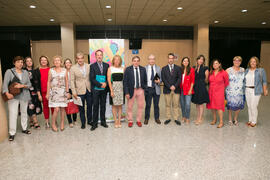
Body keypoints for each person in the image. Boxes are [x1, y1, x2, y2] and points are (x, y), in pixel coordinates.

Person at [2, 56, 32, 141]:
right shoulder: (9, 71)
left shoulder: (25, 72)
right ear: (14, 63)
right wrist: (7, 93)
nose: (20, 64)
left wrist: (22, 85)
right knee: (13, 114)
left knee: (24, 112)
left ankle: (24, 128)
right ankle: (12, 133)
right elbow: (5, 84)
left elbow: (29, 85)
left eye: (22, 62)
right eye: (18, 62)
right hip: (13, 96)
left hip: (24, 95)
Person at [46, 55, 69, 132]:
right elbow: (48, 81)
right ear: (53, 62)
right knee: (56, 109)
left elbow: (66, 81)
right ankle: (53, 124)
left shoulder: (64, 70)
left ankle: (62, 122)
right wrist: (47, 93)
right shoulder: (51, 70)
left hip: (62, 92)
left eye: (58, 60)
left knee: (62, 109)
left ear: (61, 62)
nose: (57, 62)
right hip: (54, 92)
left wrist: (67, 91)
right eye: (55, 60)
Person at [123, 56, 147, 127]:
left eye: (137, 61)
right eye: (134, 61)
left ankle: (138, 120)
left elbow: (145, 80)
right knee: (130, 106)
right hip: (131, 90)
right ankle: (130, 120)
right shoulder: (128, 69)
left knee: (140, 106)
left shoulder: (143, 69)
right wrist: (126, 92)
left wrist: (144, 88)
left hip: (140, 90)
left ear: (139, 62)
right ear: (132, 61)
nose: (136, 62)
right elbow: (125, 82)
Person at [70, 52, 92, 129]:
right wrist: (74, 92)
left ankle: (89, 121)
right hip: (79, 91)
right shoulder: (73, 68)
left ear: (83, 58)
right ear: (76, 59)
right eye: (78, 58)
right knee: (81, 108)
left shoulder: (89, 66)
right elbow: (72, 81)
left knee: (89, 106)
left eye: (81, 58)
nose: (80, 60)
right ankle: (83, 122)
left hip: (89, 89)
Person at [244, 56, 268, 127]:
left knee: (253, 106)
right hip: (247, 89)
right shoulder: (247, 70)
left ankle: (254, 121)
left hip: (256, 90)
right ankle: (250, 120)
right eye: (251, 61)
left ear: (257, 62)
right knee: (249, 106)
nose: (252, 63)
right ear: (249, 63)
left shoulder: (261, 70)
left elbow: (264, 81)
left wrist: (265, 90)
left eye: (254, 61)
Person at [90, 50, 109, 131]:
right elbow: (92, 78)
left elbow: (109, 77)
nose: (99, 56)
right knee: (95, 106)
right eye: (97, 55)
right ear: (95, 56)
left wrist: (106, 83)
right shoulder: (92, 66)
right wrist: (100, 84)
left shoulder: (107, 65)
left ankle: (103, 121)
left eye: (100, 55)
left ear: (102, 56)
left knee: (103, 106)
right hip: (96, 90)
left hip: (104, 90)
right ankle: (94, 123)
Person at [207, 59, 229, 128]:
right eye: (213, 64)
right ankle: (214, 119)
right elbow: (209, 81)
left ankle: (221, 122)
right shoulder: (211, 72)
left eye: (216, 63)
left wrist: (221, 88)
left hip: (219, 92)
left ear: (219, 64)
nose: (215, 65)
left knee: (219, 107)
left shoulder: (223, 72)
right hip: (211, 92)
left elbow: (226, 82)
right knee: (212, 106)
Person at [161, 53, 182, 126]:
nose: (170, 60)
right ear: (168, 59)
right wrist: (170, 86)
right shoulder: (163, 68)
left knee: (176, 105)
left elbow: (180, 78)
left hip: (176, 90)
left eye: (172, 58)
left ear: (174, 59)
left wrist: (174, 86)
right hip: (167, 89)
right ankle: (168, 118)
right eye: (169, 58)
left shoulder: (178, 68)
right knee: (167, 105)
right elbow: (163, 79)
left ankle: (176, 118)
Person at [225, 56, 245, 125]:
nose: (237, 62)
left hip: (240, 91)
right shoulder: (228, 70)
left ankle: (235, 118)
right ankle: (230, 119)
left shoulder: (243, 70)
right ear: (233, 61)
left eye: (239, 61)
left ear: (240, 62)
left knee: (238, 105)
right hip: (230, 91)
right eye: (235, 60)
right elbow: (223, 79)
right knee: (230, 106)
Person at [34, 55, 53, 128]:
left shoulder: (51, 70)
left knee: (53, 107)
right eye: (42, 60)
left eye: (45, 60)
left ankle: (54, 121)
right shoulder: (37, 71)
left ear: (47, 61)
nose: (43, 61)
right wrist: (39, 94)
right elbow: (36, 84)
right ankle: (47, 122)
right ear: (40, 61)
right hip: (43, 92)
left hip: (52, 92)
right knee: (45, 107)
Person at [191, 55, 210, 125]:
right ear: (197, 60)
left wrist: (201, 83)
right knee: (197, 103)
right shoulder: (194, 68)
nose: (201, 60)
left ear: (203, 61)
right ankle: (198, 116)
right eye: (199, 59)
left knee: (201, 103)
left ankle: (200, 118)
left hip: (201, 87)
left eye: (202, 59)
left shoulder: (205, 68)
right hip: (195, 87)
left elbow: (206, 79)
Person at [107, 55, 125, 128]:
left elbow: (124, 80)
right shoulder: (110, 68)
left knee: (120, 106)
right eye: (115, 59)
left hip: (121, 88)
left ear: (120, 61)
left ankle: (119, 121)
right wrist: (111, 90)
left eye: (118, 60)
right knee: (114, 105)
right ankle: (115, 121)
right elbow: (109, 80)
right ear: (113, 61)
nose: (117, 61)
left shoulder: (123, 68)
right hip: (113, 88)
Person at [25, 57, 42, 129]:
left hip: (35, 91)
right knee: (30, 106)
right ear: (25, 63)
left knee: (34, 106)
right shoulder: (23, 71)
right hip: (26, 92)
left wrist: (39, 94)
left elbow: (37, 83)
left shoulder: (36, 71)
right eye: (27, 61)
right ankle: (35, 122)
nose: (29, 62)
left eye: (30, 61)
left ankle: (31, 121)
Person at [144, 54, 162, 125]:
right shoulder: (144, 68)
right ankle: (146, 118)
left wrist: (159, 81)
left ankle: (157, 118)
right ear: (148, 60)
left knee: (156, 105)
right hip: (148, 89)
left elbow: (161, 79)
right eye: (150, 59)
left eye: (153, 59)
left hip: (156, 88)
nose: (152, 60)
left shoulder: (158, 68)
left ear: (155, 60)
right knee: (148, 105)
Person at [180, 57, 195, 124]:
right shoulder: (180, 69)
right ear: (182, 62)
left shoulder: (191, 70)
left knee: (188, 104)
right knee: (182, 104)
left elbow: (192, 81)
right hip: (181, 90)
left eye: (187, 61)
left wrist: (190, 89)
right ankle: (183, 116)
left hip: (188, 90)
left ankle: (187, 117)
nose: (185, 62)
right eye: (184, 61)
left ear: (188, 62)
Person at [64, 58, 77, 128]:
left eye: (69, 62)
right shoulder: (63, 72)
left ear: (71, 64)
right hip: (67, 90)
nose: (68, 64)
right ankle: (70, 121)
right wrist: (67, 92)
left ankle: (75, 119)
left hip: (74, 89)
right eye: (66, 63)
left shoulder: (74, 71)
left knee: (75, 104)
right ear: (64, 65)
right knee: (68, 105)